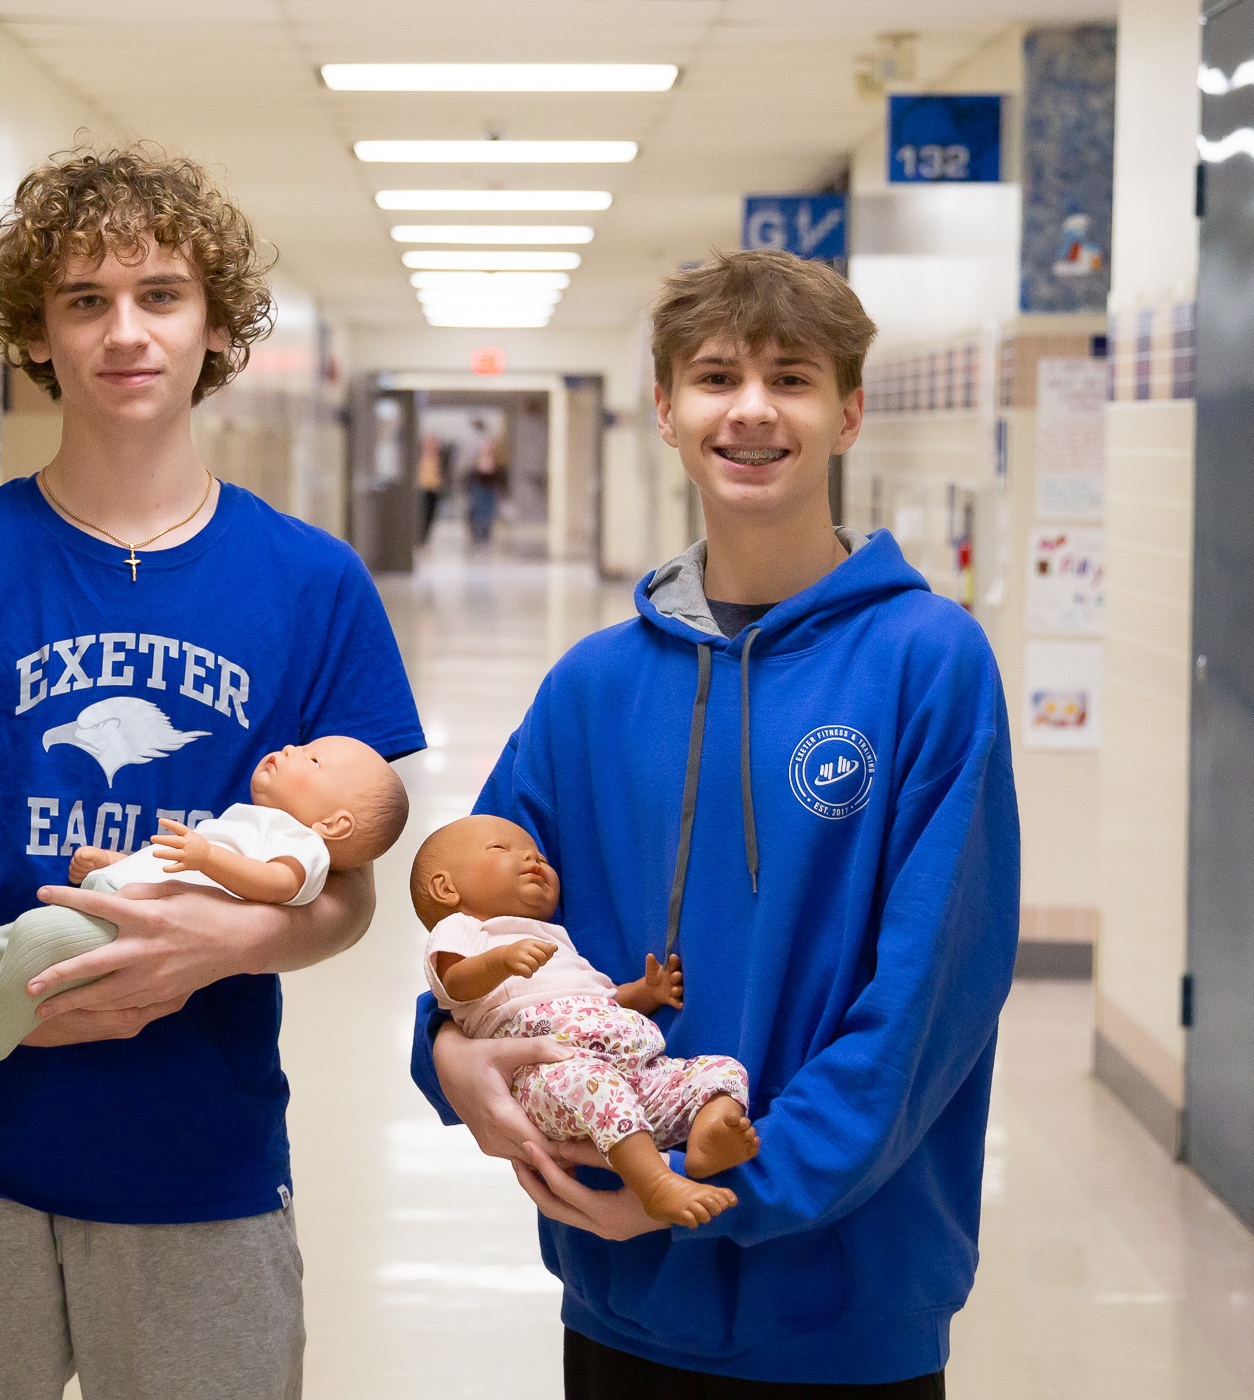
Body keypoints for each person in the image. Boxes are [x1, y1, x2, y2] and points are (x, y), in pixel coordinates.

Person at [0, 145, 424, 1400]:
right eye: (86, 300)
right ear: (39, 332)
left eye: (160, 295)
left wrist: (213, 947)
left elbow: (343, 892)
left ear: (216, 327)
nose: (124, 332)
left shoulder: (313, 585)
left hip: (200, 1154)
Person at [409, 248, 1020, 1396]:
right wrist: (448, 1055)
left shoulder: (927, 662)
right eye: (716, 376)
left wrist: (721, 1185)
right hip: (622, 1298)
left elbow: (930, 997)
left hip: (846, 1304)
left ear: (848, 412)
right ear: (666, 412)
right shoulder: (593, 686)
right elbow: (476, 912)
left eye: (791, 377)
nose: (751, 407)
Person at [0, 736, 408, 1099]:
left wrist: (208, 857)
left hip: (133, 928)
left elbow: (280, 885)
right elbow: (182, 878)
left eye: (314, 762)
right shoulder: (253, 823)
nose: (294, 749)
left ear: (334, 823)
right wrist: (118, 864)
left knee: (32, 938)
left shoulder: (302, 845)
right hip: (119, 899)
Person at [412, 814, 757, 1228]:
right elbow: (454, 983)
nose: (531, 856)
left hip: (637, 1072)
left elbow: (602, 997)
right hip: (552, 1073)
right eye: (501, 849)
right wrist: (500, 961)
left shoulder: (553, 937)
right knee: (597, 1086)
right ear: (446, 888)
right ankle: (656, 1184)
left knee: (719, 1070)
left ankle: (707, 1138)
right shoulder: (464, 930)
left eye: (538, 853)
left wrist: (646, 994)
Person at [465, 416, 508, 547]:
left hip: (490, 487)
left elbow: (500, 474)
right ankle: (477, 535)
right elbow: (470, 474)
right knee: (477, 511)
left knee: (488, 512)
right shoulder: (475, 455)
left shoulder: (495, 457)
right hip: (478, 486)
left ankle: (485, 536)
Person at [416, 430, 446, 544]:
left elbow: (442, 472)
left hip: (434, 488)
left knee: (430, 513)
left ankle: (425, 537)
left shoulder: (440, 457)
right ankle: (420, 536)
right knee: (421, 513)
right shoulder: (419, 456)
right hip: (422, 488)